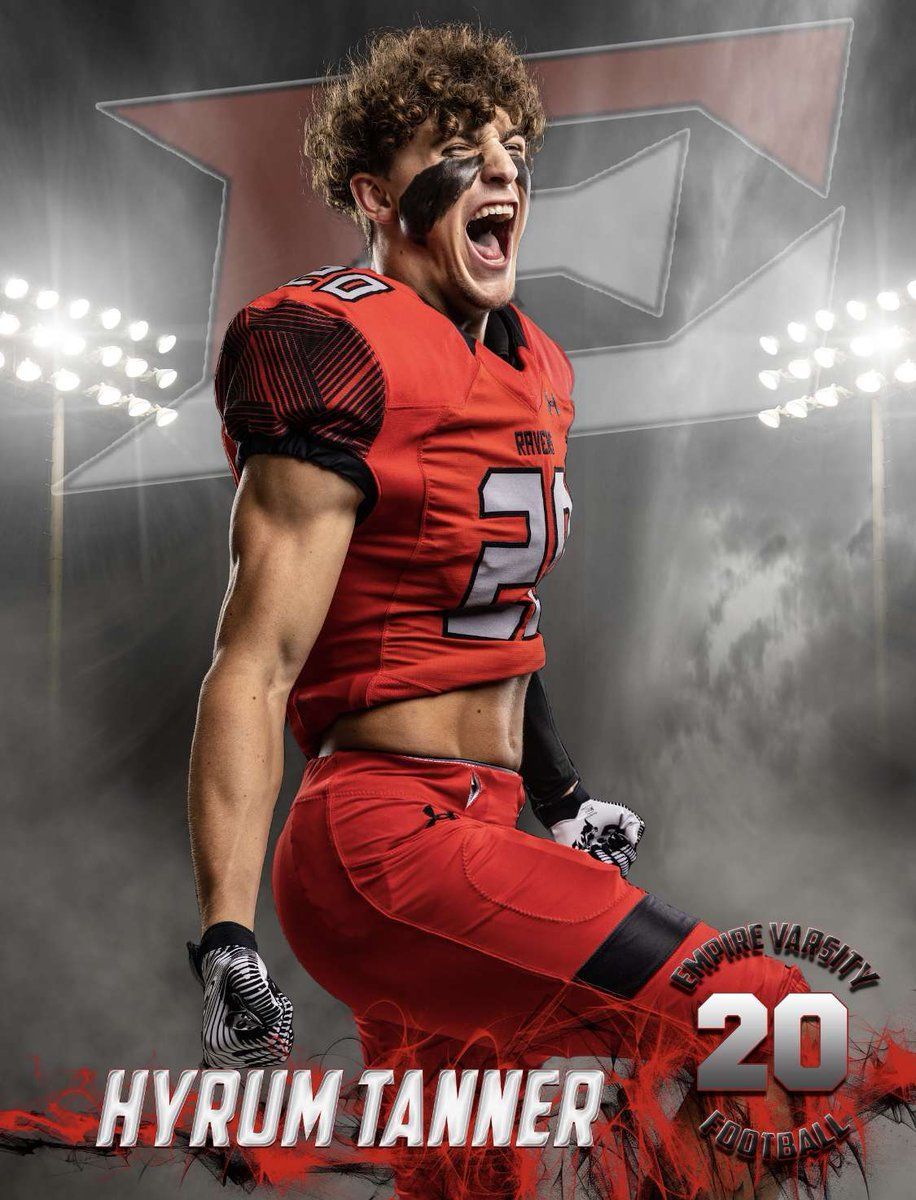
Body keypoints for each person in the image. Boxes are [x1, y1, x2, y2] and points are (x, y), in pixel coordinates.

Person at [187, 23, 808, 1199]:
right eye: (460, 148)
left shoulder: (536, 363)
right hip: (383, 845)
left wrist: (561, 796)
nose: (504, 167)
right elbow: (256, 660)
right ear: (376, 192)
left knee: (471, 1184)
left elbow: (488, 613)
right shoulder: (330, 342)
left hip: (483, 825)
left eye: (513, 146)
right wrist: (226, 937)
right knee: (764, 1025)